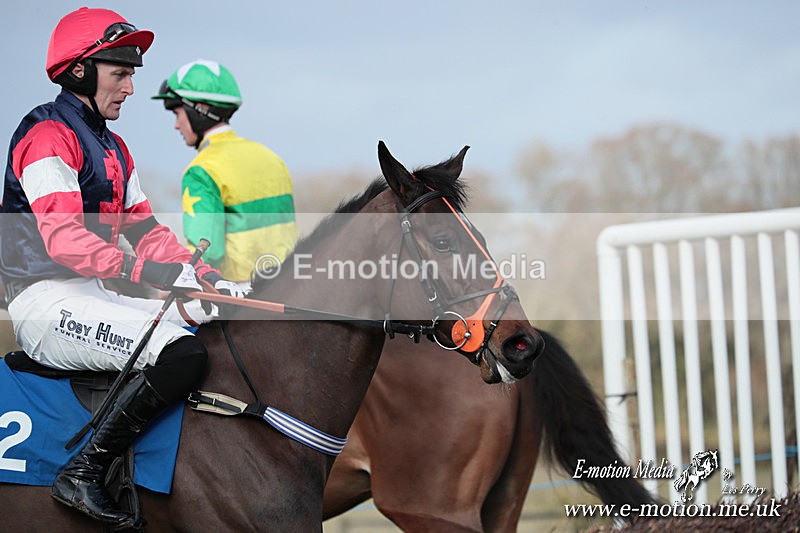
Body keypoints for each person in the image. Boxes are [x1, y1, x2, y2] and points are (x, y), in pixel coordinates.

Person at [0, 7, 243, 526]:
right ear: (80, 71)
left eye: (131, 74)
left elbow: (147, 232)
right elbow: (65, 240)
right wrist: (147, 273)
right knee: (180, 353)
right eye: (120, 73)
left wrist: (208, 278)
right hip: (44, 302)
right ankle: (83, 472)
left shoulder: (115, 148)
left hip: (93, 293)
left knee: (209, 322)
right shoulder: (46, 134)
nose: (130, 88)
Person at [152, 59, 298, 286]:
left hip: (239, 294)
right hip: (291, 285)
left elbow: (206, 253)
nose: (176, 125)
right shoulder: (271, 157)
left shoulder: (201, 170)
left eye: (177, 114)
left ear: (200, 111)